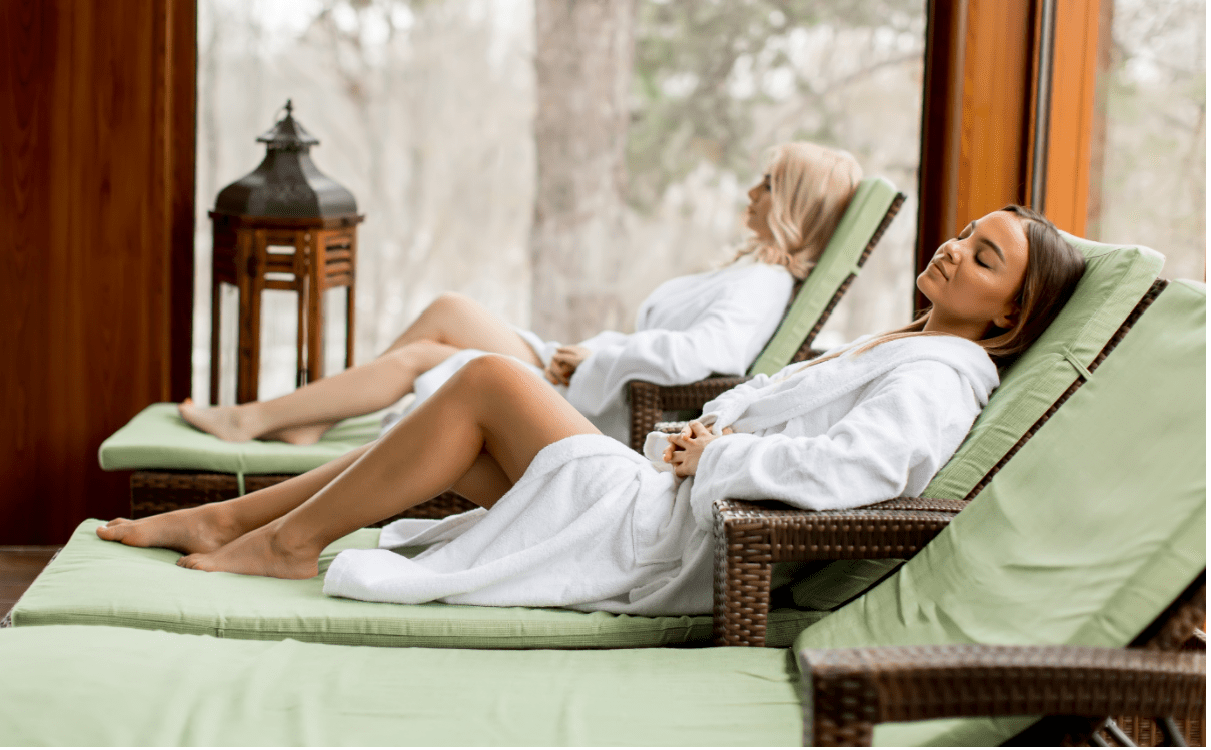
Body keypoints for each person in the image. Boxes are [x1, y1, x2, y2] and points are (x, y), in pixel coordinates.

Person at [99, 205, 1085, 618]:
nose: (953, 249)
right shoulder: (906, 342)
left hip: (688, 539)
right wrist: (703, 437)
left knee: (486, 380)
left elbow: (864, 473)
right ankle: (237, 518)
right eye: (962, 233)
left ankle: (268, 536)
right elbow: (769, 420)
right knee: (449, 426)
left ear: (1010, 310)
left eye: (982, 255)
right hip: (665, 497)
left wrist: (716, 453)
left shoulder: (944, 374)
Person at [178, 141, 865, 446]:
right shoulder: (752, 271)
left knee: (424, 355)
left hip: (597, 411)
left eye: (769, 183)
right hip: (588, 378)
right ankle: (308, 419)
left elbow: (699, 357)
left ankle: (255, 421)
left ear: (795, 205)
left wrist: (592, 358)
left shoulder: (762, 284)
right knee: (448, 310)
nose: (752, 191)